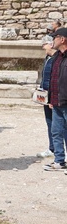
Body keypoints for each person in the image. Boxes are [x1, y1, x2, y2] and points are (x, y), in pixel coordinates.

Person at [44, 28, 67, 172]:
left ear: (62, 39)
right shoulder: (56, 57)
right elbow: (53, 78)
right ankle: (59, 160)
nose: (53, 40)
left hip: (66, 101)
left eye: (55, 37)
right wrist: (50, 99)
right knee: (56, 132)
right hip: (56, 101)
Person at [36, 35, 57, 158]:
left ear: (51, 44)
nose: (43, 47)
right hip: (46, 95)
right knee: (50, 122)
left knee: (59, 123)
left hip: (54, 96)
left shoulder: (57, 59)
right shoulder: (48, 58)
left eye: (44, 44)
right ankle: (52, 147)